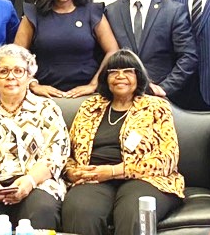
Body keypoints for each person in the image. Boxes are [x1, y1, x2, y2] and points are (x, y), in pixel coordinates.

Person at [62, 49, 184, 235]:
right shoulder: (90, 106)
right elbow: (67, 152)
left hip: (145, 179)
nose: (120, 76)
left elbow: (167, 158)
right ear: (105, 78)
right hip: (93, 178)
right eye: (113, 71)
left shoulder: (156, 107)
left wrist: (113, 171)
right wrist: (73, 172)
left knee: (133, 211)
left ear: (139, 76)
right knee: (80, 209)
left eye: (128, 71)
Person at [0, 44, 70, 230]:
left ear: (29, 76)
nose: (11, 77)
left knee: (42, 210)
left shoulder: (46, 108)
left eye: (19, 71)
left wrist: (29, 181)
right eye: (4, 71)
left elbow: (57, 153)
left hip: (36, 183)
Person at [15, 0, 119, 98]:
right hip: (44, 97)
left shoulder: (93, 12)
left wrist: (94, 85)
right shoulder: (33, 15)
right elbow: (16, 56)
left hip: (88, 96)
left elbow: (113, 51)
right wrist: (33, 85)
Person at [105, 0, 197, 106]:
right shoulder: (110, 11)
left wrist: (164, 88)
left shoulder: (174, 11)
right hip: (120, 98)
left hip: (162, 99)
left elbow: (188, 56)